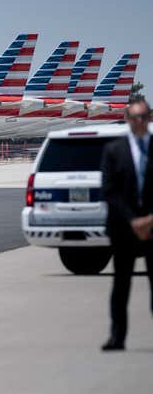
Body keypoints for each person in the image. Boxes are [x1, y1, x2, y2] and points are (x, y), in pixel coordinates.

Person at [100, 99, 153, 351]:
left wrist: (149, 219)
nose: (140, 121)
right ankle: (117, 337)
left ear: (150, 118)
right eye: (135, 117)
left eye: (144, 116)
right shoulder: (113, 150)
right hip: (124, 227)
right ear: (127, 119)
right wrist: (133, 220)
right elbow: (109, 191)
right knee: (121, 286)